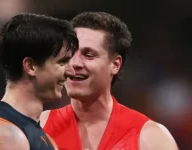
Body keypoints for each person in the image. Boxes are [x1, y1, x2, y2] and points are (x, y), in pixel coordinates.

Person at [40, 12, 178, 150]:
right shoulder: (39, 127)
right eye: (70, 54)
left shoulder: (151, 138)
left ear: (115, 65)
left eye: (89, 55)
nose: (74, 63)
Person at [0, 13, 78, 150]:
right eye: (62, 62)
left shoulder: (40, 136)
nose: (71, 71)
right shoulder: (2, 134)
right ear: (30, 67)